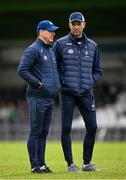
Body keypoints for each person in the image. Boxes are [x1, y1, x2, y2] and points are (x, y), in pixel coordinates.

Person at [53, 12, 103, 172]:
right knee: (66, 128)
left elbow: (98, 69)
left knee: (93, 127)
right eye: (73, 24)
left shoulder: (93, 46)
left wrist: (91, 81)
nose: (75, 27)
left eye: (78, 24)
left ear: (84, 24)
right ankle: (70, 164)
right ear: (69, 25)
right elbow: (53, 67)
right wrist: (63, 80)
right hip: (67, 93)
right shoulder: (60, 44)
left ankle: (86, 164)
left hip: (86, 93)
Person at [17, 20, 60, 173]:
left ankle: (42, 164)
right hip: (37, 97)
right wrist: (38, 83)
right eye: (50, 31)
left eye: (54, 31)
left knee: (44, 132)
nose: (53, 33)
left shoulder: (50, 50)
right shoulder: (33, 49)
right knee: (36, 131)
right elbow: (22, 70)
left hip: (49, 98)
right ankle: (34, 165)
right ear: (41, 32)